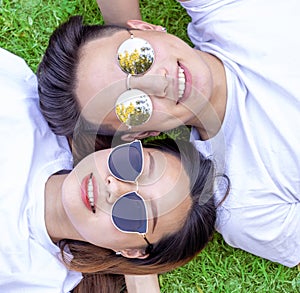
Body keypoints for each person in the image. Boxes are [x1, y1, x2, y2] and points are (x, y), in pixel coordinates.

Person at [0, 47, 229, 292]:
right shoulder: (21, 102)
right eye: (134, 164)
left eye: (134, 212)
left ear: (131, 251)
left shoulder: (34, 281)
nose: (115, 186)